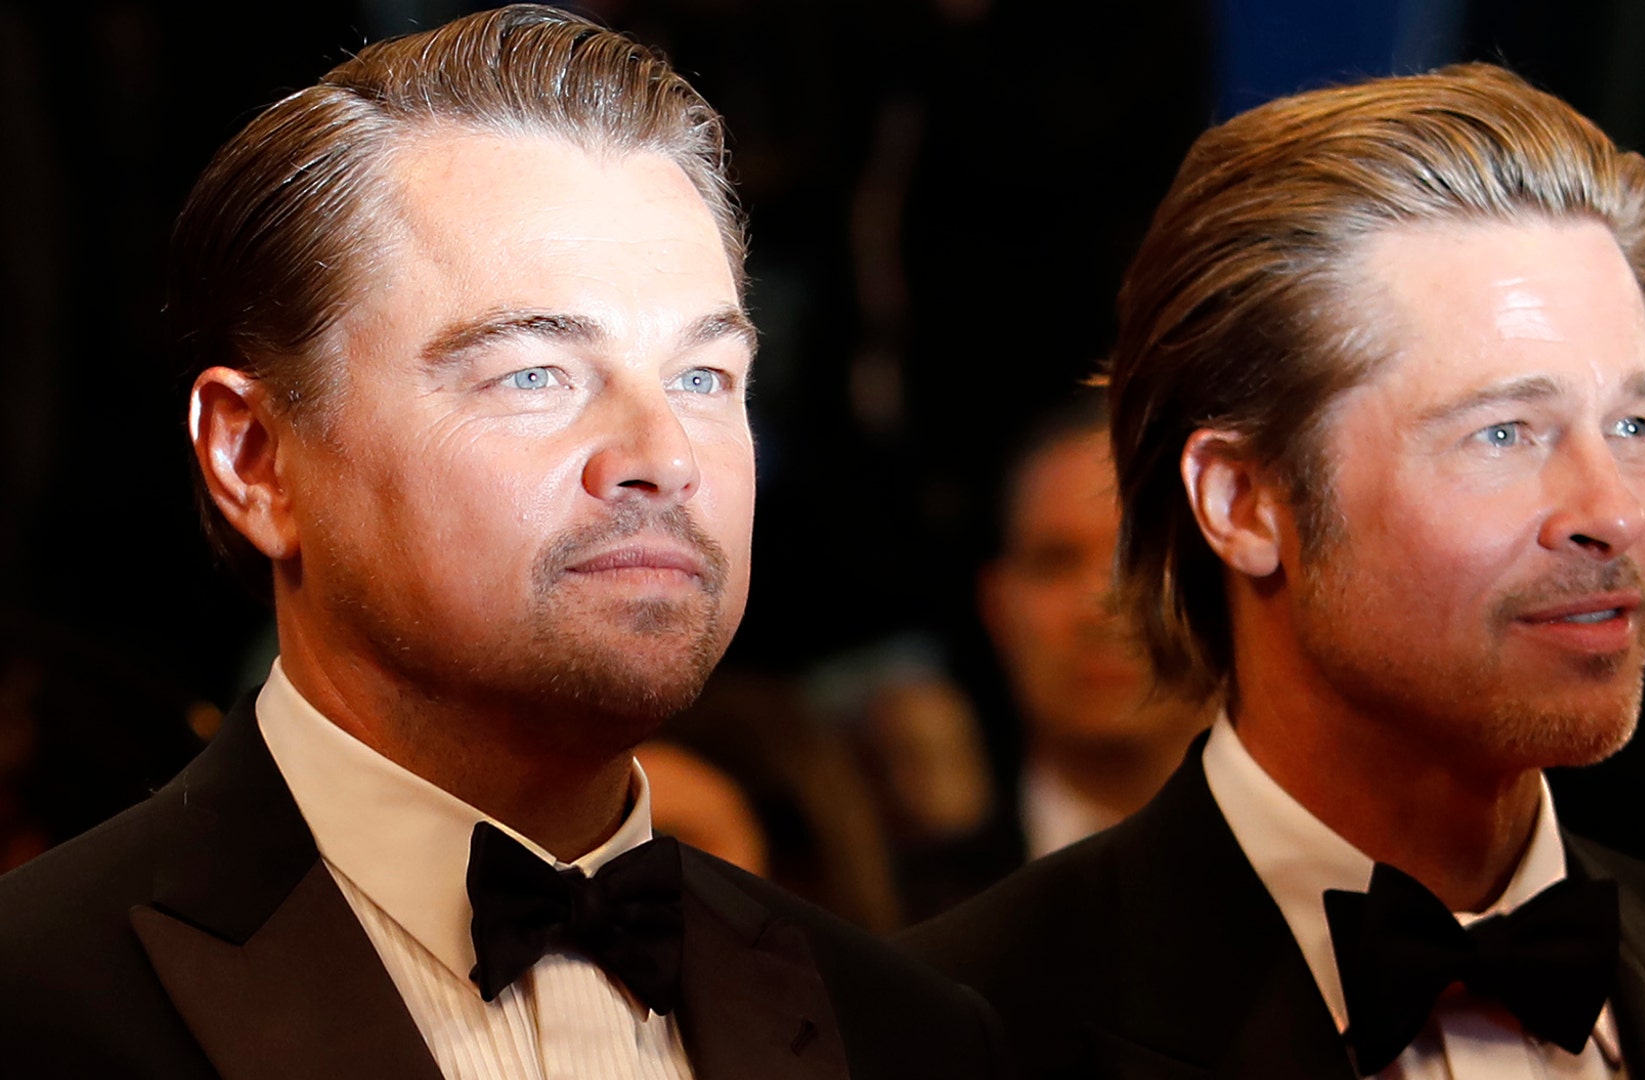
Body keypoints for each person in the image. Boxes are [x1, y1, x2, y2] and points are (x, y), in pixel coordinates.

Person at [0, 8, 1007, 1079]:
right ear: (255, 460)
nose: (664, 455)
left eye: (703, 376)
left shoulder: (910, 1034)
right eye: (534, 374)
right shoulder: (33, 1000)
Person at [903, 63, 1645, 1079]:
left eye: (1634, 425)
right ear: (1243, 502)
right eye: (1504, 433)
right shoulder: (967, 1031)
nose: (1615, 510)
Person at [977, 397, 1209, 863]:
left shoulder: (1357, 880)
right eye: (1054, 563)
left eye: (1138, 556)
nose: (1099, 609)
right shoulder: (899, 919)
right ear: (997, 608)